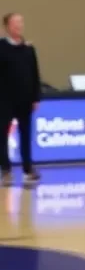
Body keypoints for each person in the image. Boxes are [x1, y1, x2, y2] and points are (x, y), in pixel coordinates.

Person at [0, 12, 42, 187]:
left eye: (21, 22)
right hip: (5, 99)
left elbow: (35, 74)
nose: (19, 26)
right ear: (7, 26)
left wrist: (35, 97)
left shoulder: (28, 49)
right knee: (2, 134)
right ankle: (6, 169)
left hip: (25, 99)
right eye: (15, 23)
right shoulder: (1, 47)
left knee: (26, 134)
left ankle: (27, 169)